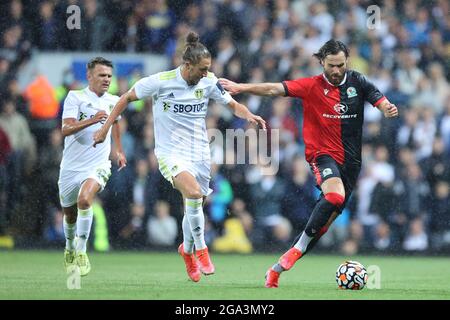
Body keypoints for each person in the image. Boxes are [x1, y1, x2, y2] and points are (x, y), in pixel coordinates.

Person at [219, 39, 399, 288]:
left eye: (340, 65)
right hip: (321, 155)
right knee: (334, 197)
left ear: (346, 61)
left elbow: (378, 98)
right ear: (322, 63)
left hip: (351, 165)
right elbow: (274, 89)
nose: (336, 71)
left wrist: (386, 108)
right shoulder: (311, 86)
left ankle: (279, 266)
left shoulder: (358, 81)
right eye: (331, 65)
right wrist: (241, 87)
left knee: (322, 226)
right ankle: (291, 255)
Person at [93, 32, 265, 282]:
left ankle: (186, 250)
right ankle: (202, 250)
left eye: (208, 69)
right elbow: (124, 99)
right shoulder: (160, 81)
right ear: (187, 65)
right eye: (202, 69)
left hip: (200, 153)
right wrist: (105, 128)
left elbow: (233, 105)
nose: (206, 74)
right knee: (194, 194)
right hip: (170, 152)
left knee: (194, 203)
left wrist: (248, 114)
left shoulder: (208, 82)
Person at [59, 57, 127, 276]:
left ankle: (81, 250)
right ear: (89, 76)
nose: (106, 79)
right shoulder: (75, 97)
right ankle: (69, 247)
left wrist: (118, 150)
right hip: (71, 166)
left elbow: (115, 124)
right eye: (102, 75)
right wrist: (94, 120)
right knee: (69, 214)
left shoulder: (114, 100)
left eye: (109, 75)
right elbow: (66, 129)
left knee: (85, 199)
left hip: (97, 164)